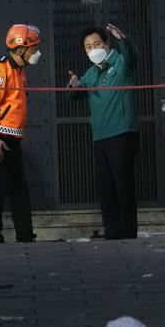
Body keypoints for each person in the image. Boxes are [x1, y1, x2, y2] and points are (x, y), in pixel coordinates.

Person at [68, 23, 140, 240]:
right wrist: (73, 85)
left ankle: (127, 232)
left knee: (122, 185)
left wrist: (124, 40)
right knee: (105, 187)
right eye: (88, 47)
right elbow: (74, 95)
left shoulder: (120, 62)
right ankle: (112, 231)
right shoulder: (92, 72)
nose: (92, 49)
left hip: (122, 134)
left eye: (96, 44)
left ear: (107, 43)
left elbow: (133, 57)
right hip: (100, 137)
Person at [0, 24, 43, 243]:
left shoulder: (19, 71)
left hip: (12, 138)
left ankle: (25, 236)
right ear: (20, 48)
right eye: (33, 47)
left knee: (19, 190)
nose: (36, 52)